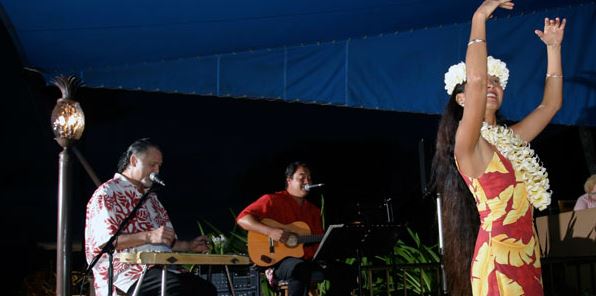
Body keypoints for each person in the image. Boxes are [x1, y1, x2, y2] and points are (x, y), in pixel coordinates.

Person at [431, 1, 566, 295]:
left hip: (527, 254)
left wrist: (553, 49)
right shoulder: (468, 144)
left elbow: (550, 105)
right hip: (498, 259)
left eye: (498, 81)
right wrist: (479, 17)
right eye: (484, 81)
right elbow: (476, 83)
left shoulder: (512, 140)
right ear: (462, 99)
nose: (490, 85)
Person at [84, 138, 217, 296]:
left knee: (206, 289)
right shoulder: (108, 193)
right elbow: (105, 242)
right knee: (176, 288)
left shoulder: (151, 199)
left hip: (161, 269)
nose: (157, 171)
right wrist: (148, 236)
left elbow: (164, 241)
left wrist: (188, 246)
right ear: (134, 160)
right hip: (127, 274)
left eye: (159, 166)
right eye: (152, 165)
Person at [236, 161, 355, 296]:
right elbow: (242, 219)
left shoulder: (313, 210)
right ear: (289, 180)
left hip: (308, 261)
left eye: (309, 178)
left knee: (347, 272)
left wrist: (335, 240)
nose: (307, 180)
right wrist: (270, 231)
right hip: (278, 262)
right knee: (300, 269)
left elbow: (319, 243)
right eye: (302, 177)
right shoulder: (272, 200)